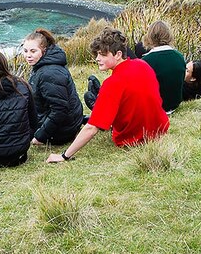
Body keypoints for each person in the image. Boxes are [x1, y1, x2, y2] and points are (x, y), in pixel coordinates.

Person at [47, 28, 169, 163]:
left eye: (103, 54)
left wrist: (64, 156)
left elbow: (91, 129)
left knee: (98, 112)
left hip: (133, 139)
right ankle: (101, 106)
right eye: (97, 54)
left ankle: (100, 108)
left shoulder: (113, 83)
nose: (97, 59)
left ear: (118, 54)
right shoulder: (142, 64)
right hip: (160, 129)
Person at [21, 29, 84, 145]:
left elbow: (60, 110)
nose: (28, 55)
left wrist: (40, 136)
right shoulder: (44, 64)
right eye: (25, 51)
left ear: (44, 50)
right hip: (68, 122)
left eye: (33, 51)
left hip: (62, 131)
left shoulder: (49, 73)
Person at [140, 20, 186, 113]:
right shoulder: (179, 57)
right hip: (174, 105)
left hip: (155, 108)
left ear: (149, 36)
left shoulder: (147, 61)